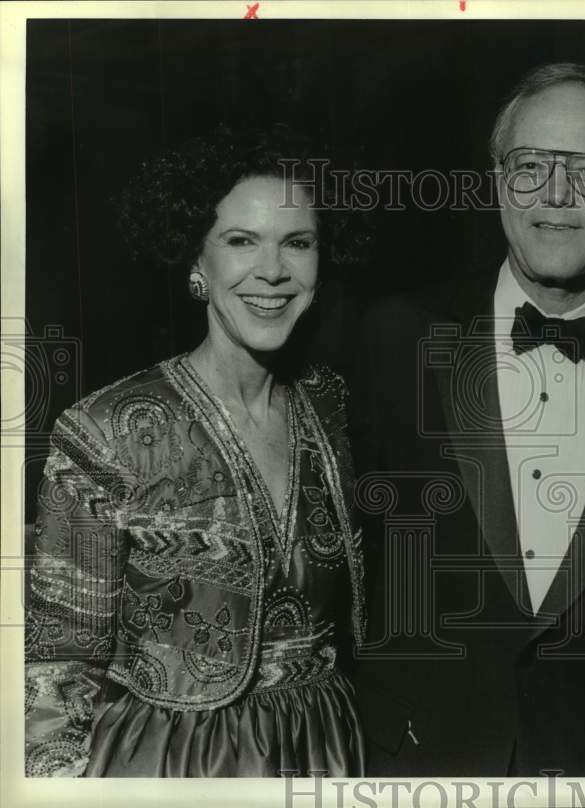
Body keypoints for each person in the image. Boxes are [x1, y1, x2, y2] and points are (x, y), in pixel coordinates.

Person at [349, 62, 585, 776]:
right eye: (531, 165)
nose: (556, 194)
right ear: (494, 180)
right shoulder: (394, 337)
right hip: (417, 763)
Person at [24, 127, 367, 777]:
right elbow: (55, 668)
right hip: (175, 765)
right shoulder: (107, 428)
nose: (272, 271)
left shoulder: (330, 403)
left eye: (297, 243)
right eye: (241, 241)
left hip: (324, 751)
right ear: (196, 265)